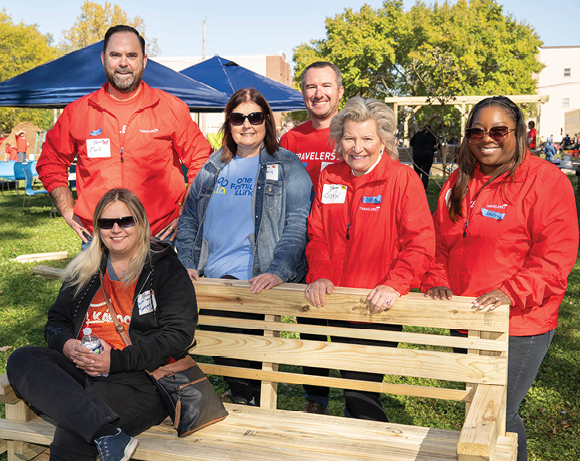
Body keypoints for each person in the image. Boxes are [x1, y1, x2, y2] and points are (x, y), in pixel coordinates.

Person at [422, 96, 579, 461]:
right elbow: (438, 242)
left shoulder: (546, 182)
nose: (486, 138)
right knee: (479, 410)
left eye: (498, 130)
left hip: (520, 322)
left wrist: (511, 292)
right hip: (466, 316)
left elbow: (555, 257)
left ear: (519, 134)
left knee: (497, 415)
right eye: (476, 130)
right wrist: (435, 277)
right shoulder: (458, 182)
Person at [6, 188, 197, 461]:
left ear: (141, 223)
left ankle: (96, 427)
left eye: (125, 221)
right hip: (82, 370)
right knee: (22, 357)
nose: (116, 229)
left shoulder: (165, 268)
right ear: (98, 228)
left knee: (73, 435)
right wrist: (67, 344)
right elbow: (56, 321)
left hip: (139, 379)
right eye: (106, 223)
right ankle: (106, 434)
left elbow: (178, 335)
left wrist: (114, 361)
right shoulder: (86, 268)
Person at [176, 88, 313, 406]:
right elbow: (190, 219)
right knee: (225, 350)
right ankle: (243, 399)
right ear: (229, 123)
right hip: (211, 278)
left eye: (255, 116)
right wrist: (186, 262)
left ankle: (247, 401)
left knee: (241, 352)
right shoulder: (213, 165)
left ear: (267, 121)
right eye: (238, 117)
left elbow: (298, 223)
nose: (246, 124)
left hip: (256, 279)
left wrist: (279, 270)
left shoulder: (287, 165)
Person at [304, 97, 435, 421]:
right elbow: (317, 234)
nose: (357, 147)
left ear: (383, 141)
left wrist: (395, 283)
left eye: (367, 139)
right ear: (338, 139)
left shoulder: (402, 179)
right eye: (349, 138)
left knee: (360, 393)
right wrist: (320, 274)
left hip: (377, 306)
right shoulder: (330, 176)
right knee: (354, 390)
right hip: (335, 302)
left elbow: (421, 242)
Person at [37, 25, 211, 249]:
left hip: (158, 237)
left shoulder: (171, 108)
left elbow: (202, 160)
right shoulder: (78, 112)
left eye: (131, 55)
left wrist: (186, 212)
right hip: (98, 238)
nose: (123, 62)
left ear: (144, 60)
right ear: (103, 58)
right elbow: (50, 162)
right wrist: (68, 211)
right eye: (115, 55)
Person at [279, 61, 344, 414]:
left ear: (339, 91)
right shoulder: (291, 139)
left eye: (326, 86)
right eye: (310, 87)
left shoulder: (354, 132)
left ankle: (359, 400)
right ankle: (316, 399)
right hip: (302, 244)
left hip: (345, 244)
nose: (318, 93)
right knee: (312, 323)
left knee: (350, 326)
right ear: (302, 92)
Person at [410, 125, 438, 190]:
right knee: (425, 172)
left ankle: (416, 189)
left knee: (417, 172)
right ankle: (423, 190)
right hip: (428, 154)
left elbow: (411, 143)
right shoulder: (432, 135)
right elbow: (438, 145)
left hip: (417, 154)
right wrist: (432, 150)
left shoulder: (417, 134)